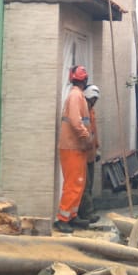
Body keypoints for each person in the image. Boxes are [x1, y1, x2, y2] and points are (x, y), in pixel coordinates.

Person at [55, 65, 91, 233]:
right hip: (72, 146)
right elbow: (76, 122)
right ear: (85, 79)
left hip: (76, 146)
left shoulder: (77, 95)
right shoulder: (76, 96)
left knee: (78, 183)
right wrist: (86, 136)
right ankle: (63, 219)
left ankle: (72, 216)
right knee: (73, 184)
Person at [77, 84, 101, 225]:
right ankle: (86, 213)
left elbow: (93, 132)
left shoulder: (91, 111)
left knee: (89, 184)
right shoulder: (83, 110)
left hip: (90, 153)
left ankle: (86, 212)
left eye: (95, 99)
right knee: (84, 185)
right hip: (82, 153)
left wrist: (96, 148)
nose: (93, 102)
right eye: (92, 99)